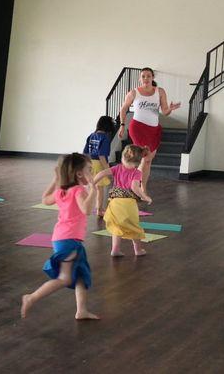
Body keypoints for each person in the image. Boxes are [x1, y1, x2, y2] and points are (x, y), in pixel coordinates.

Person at [21, 153, 99, 320]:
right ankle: (32, 297)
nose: (92, 174)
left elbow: (44, 200)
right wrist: (94, 190)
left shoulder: (62, 191)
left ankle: (81, 310)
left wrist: (56, 180)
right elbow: (86, 210)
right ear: (79, 174)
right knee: (64, 278)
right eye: (89, 170)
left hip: (61, 239)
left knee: (80, 276)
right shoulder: (78, 190)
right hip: (70, 241)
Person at [118, 67, 181, 192]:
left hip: (154, 129)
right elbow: (123, 109)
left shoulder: (160, 91)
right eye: (143, 76)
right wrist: (122, 125)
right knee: (145, 157)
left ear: (153, 77)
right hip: (138, 128)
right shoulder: (134, 93)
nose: (146, 78)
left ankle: (142, 186)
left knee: (148, 161)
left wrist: (170, 109)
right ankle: (136, 186)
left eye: (148, 76)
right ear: (140, 78)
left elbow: (165, 111)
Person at [93, 145, 152, 257]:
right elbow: (135, 187)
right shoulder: (137, 172)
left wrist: (92, 184)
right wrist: (145, 196)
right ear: (137, 163)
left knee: (117, 227)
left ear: (122, 158)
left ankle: (115, 249)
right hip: (128, 204)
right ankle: (138, 250)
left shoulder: (117, 168)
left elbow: (101, 174)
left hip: (114, 203)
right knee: (134, 227)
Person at [83, 115, 116, 216]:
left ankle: (96, 208)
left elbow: (85, 152)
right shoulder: (105, 138)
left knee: (95, 187)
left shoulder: (91, 135)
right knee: (100, 189)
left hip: (90, 163)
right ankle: (100, 209)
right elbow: (102, 156)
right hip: (99, 164)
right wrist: (109, 171)